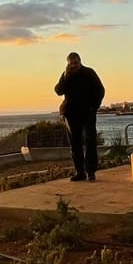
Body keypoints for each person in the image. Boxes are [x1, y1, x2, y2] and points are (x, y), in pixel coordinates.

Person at [54, 51, 105, 182]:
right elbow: (58, 91)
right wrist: (66, 75)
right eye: (71, 64)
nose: (74, 66)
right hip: (71, 113)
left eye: (76, 63)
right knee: (75, 144)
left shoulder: (89, 73)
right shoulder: (66, 75)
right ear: (68, 64)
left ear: (80, 61)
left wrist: (93, 107)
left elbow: (100, 90)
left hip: (87, 112)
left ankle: (91, 171)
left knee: (90, 141)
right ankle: (80, 171)